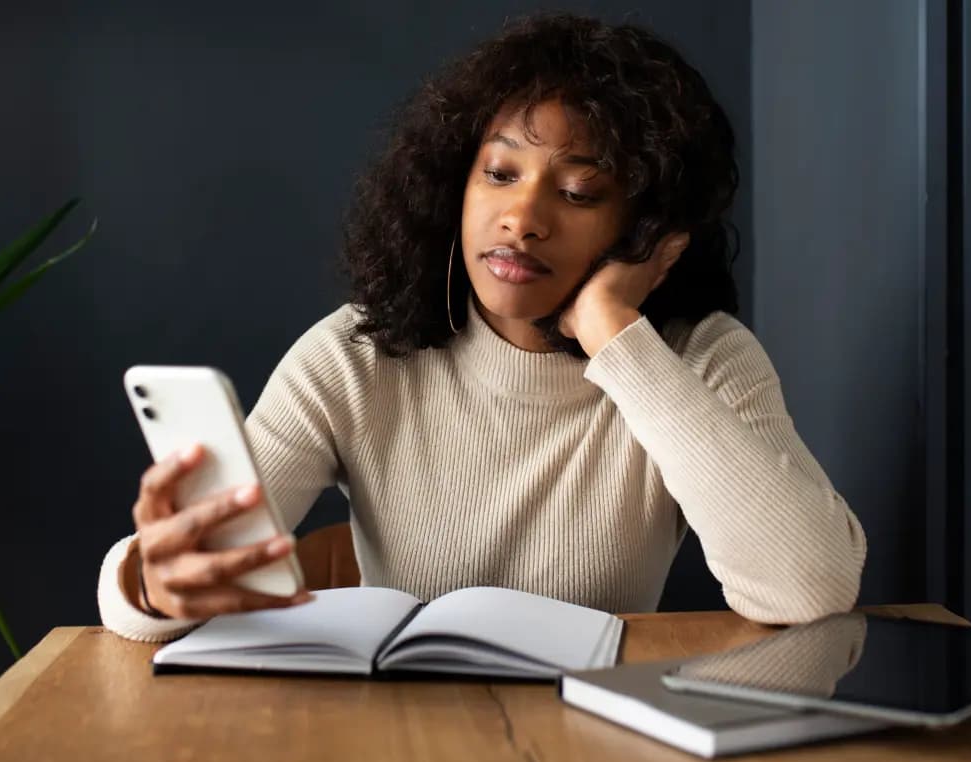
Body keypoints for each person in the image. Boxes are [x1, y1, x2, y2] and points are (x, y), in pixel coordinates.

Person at [98, 13, 866, 642]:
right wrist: (151, 585)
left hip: (602, 752)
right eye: (500, 174)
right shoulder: (353, 355)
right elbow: (196, 570)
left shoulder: (698, 358)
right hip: (399, 745)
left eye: (577, 191)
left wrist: (616, 338)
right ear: (450, 187)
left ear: (646, 231)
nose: (522, 218)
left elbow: (809, 587)